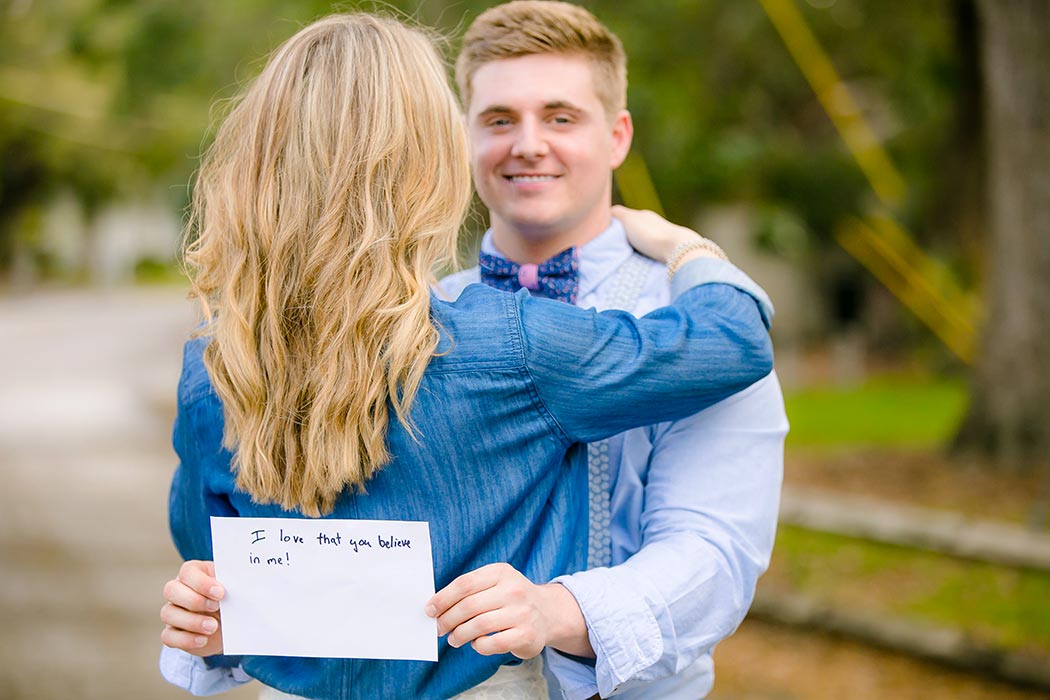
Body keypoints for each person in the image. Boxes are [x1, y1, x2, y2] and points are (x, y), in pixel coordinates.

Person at [161, 9, 774, 700]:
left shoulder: (216, 368)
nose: (530, 145)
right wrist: (694, 247)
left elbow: (715, 552)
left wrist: (562, 610)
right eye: (499, 119)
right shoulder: (495, 338)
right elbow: (240, 570)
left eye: (562, 118)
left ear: (617, 136)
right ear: (448, 148)